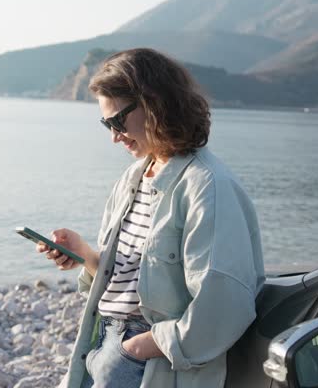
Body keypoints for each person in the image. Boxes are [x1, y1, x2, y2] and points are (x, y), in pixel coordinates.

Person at [37, 48, 265, 388]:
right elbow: (133, 280)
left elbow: (226, 303)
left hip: (149, 362)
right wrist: (84, 254)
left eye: (117, 121)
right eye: (106, 124)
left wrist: (141, 347)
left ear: (155, 104)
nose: (114, 136)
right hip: (103, 343)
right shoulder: (133, 178)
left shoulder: (208, 187)